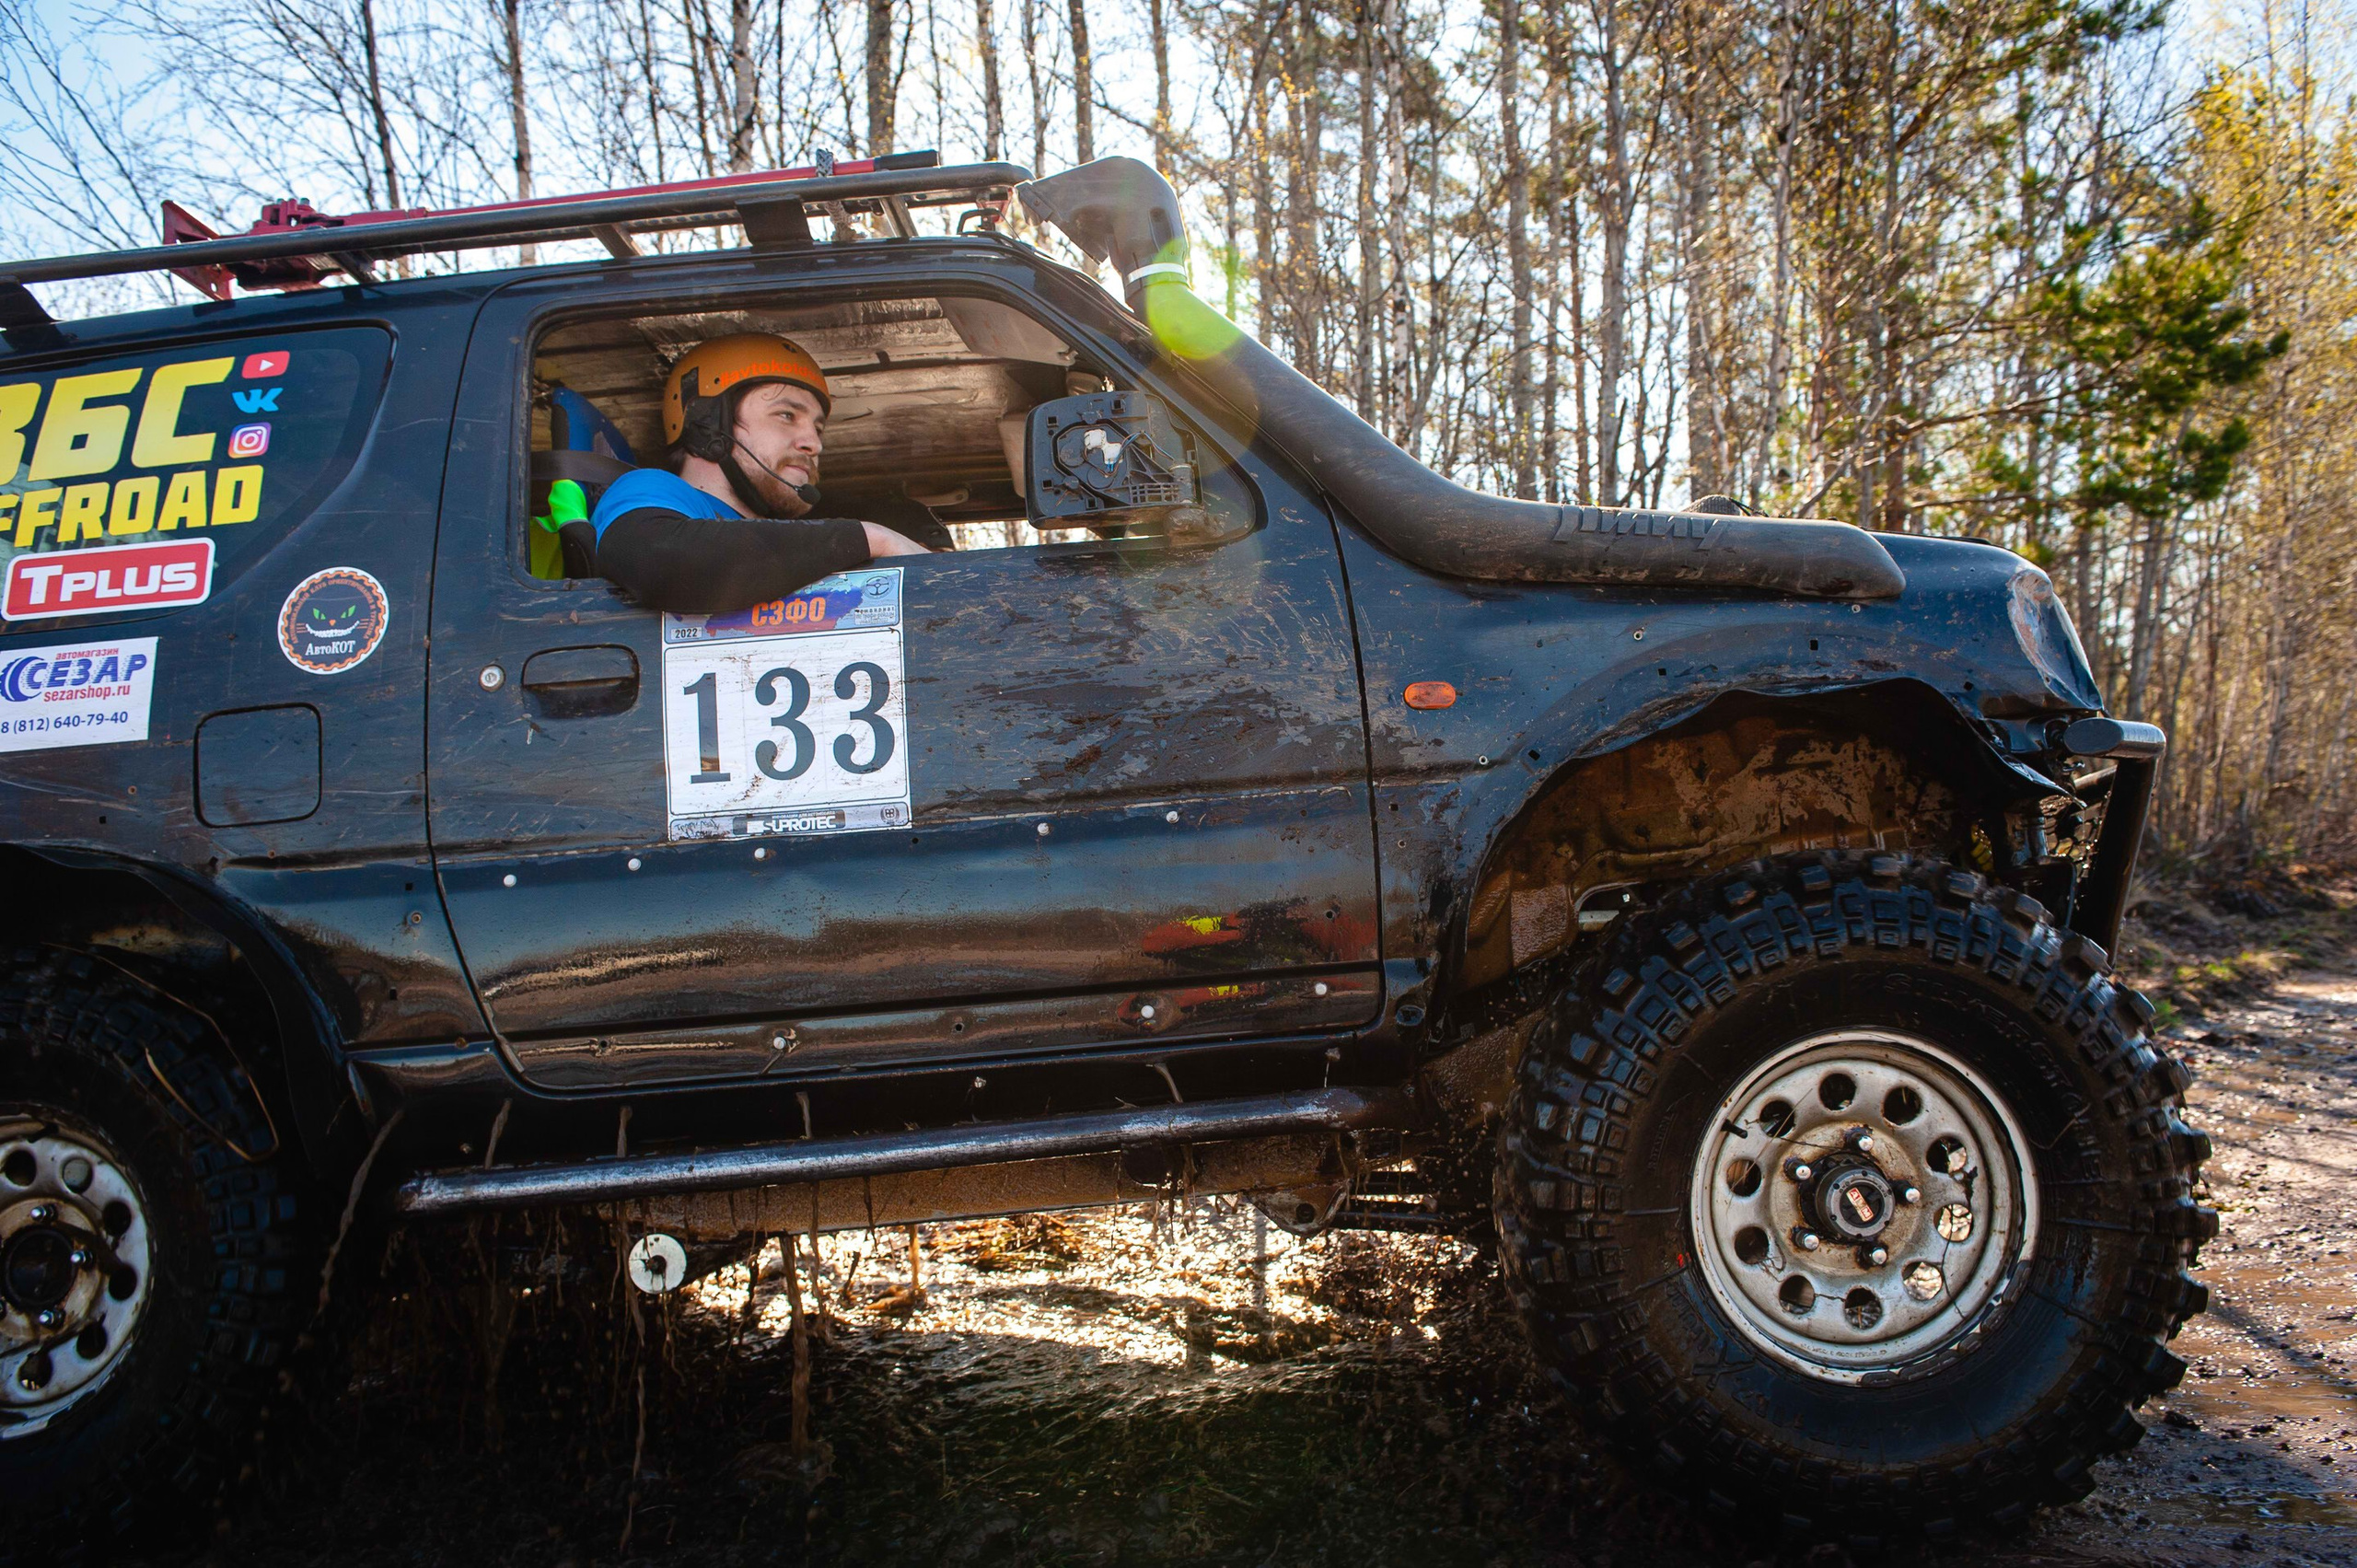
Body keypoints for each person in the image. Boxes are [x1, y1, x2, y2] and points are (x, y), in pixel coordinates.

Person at [589, 332, 931, 613]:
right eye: (786, 415)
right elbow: (661, 563)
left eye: (818, 428)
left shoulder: (792, 546)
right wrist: (871, 538)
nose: (814, 443)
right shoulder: (651, 489)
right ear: (708, 424)